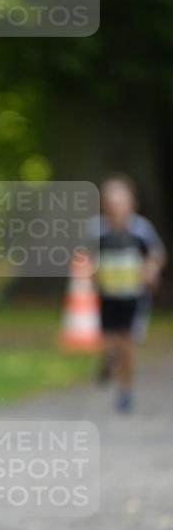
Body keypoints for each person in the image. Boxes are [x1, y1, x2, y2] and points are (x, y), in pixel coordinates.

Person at [93, 175, 166, 412]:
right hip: (109, 295)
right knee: (112, 341)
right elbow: (86, 257)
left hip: (134, 296)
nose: (115, 206)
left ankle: (126, 389)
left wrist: (151, 271)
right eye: (110, 201)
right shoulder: (98, 231)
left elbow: (156, 254)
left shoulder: (141, 230)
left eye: (119, 200)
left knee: (128, 344)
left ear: (130, 202)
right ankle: (109, 359)